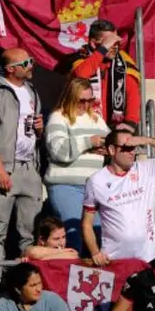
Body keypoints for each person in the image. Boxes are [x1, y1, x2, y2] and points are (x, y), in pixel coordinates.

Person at [0, 47, 44, 270]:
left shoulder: (32, 90)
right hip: (6, 166)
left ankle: (28, 280)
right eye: (26, 63)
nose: (31, 65)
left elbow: (34, 131)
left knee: (30, 233)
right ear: (10, 69)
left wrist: (40, 129)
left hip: (29, 168)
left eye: (31, 60)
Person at [82, 130, 155, 265]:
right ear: (112, 150)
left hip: (148, 259)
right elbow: (86, 223)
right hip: (114, 260)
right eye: (127, 148)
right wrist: (95, 252)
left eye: (134, 148)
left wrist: (148, 140)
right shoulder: (95, 181)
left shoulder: (147, 169)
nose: (132, 152)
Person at [43, 77, 108, 252]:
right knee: (73, 236)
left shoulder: (96, 119)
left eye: (90, 100)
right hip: (66, 186)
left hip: (93, 187)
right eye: (82, 101)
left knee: (97, 235)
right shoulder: (58, 118)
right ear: (71, 97)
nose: (86, 105)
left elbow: (109, 143)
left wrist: (107, 150)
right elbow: (59, 151)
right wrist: (88, 143)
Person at [69, 18, 141, 131]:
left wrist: (130, 123)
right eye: (110, 43)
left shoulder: (124, 61)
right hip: (84, 125)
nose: (115, 46)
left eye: (116, 42)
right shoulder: (80, 58)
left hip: (115, 128)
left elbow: (133, 94)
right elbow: (80, 76)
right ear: (93, 44)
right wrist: (103, 50)